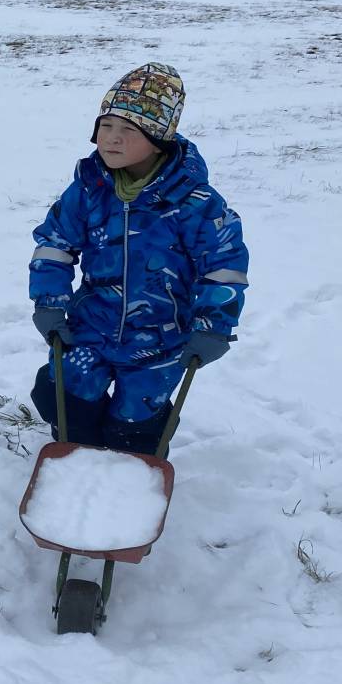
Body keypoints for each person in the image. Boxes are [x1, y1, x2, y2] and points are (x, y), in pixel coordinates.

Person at [28, 62, 249, 453]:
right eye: (105, 126)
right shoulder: (88, 190)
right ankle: (78, 460)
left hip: (160, 340)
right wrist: (49, 302)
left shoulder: (195, 203)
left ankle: (130, 466)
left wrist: (214, 325)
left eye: (129, 130)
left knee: (135, 428)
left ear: (158, 140)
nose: (112, 139)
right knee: (63, 398)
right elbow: (55, 244)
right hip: (89, 328)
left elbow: (223, 267)